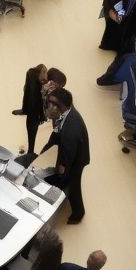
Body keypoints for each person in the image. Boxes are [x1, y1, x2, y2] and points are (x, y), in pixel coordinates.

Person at [40, 87, 90, 224]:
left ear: (57, 107)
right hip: (72, 150)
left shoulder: (70, 131)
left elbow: (68, 158)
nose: (47, 108)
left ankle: (78, 214)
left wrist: (62, 171)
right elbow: (56, 135)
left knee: (73, 186)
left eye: (49, 105)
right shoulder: (66, 112)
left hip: (76, 159)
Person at [13, 64, 48, 156]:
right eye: (44, 72)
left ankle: (31, 150)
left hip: (32, 108)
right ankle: (31, 151)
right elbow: (35, 99)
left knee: (32, 123)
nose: (45, 75)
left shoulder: (31, 74)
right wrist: (41, 115)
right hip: (34, 111)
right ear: (40, 71)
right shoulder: (35, 78)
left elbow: (28, 93)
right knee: (33, 123)